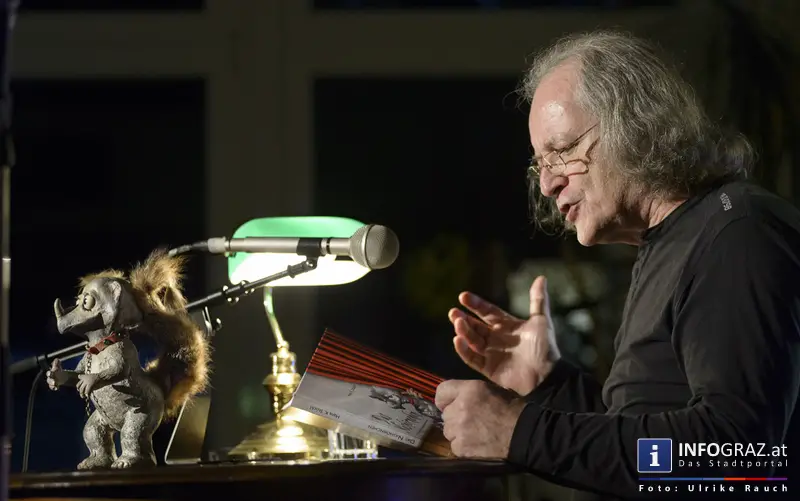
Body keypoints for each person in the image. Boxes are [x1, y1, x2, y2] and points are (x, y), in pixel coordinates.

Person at [434, 30, 800, 500]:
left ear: (635, 125)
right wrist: (549, 384)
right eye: (540, 165)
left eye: (562, 151)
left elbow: (733, 455)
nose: (546, 184)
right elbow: (644, 443)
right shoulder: (669, 243)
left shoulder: (736, 233)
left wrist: (518, 431)